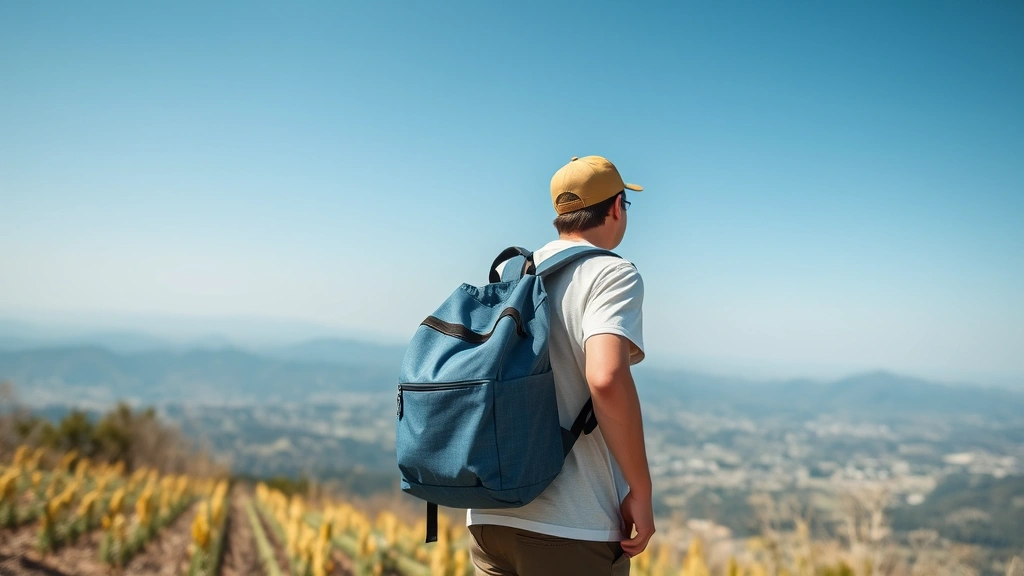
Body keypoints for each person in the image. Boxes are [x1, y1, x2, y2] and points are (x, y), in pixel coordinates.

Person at [467, 155, 654, 576]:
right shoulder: (611, 274)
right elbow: (606, 378)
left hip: (489, 516)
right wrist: (641, 490)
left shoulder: (513, 270)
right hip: (572, 524)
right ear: (617, 207)